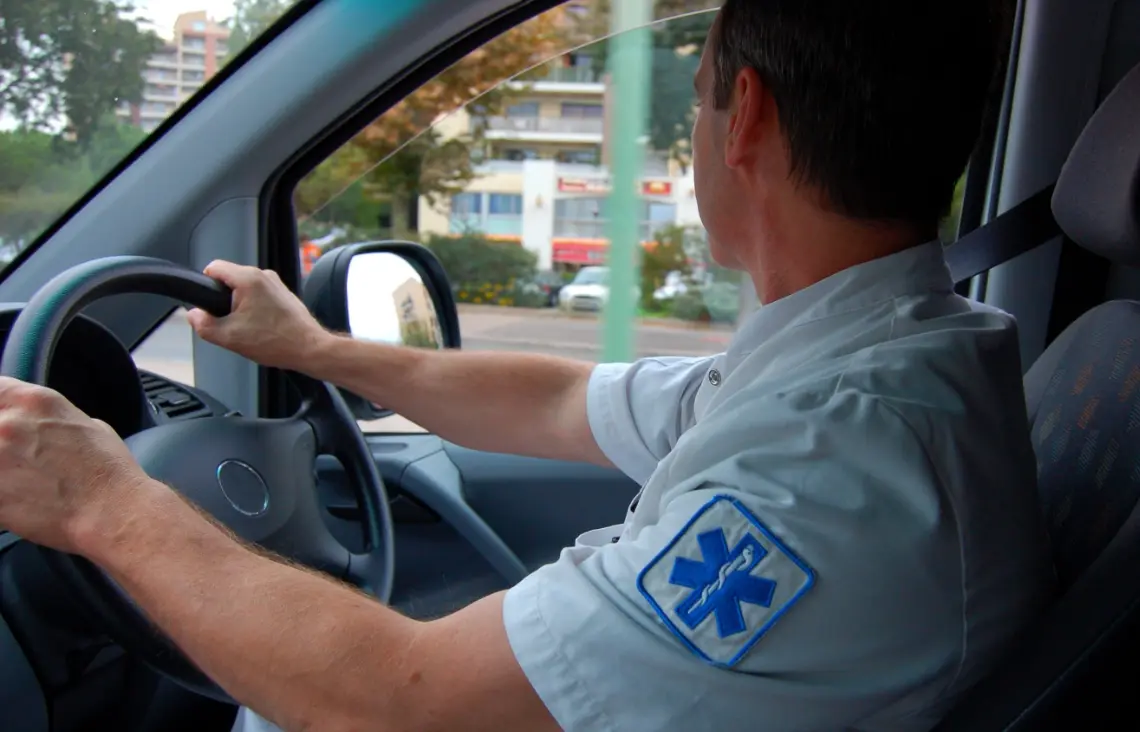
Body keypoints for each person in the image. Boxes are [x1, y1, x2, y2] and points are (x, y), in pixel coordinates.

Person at [0, 2, 1056, 731]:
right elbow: (559, 401)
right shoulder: (868, 361)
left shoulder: (831, 468)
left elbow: (397, 703)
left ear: (745, 116)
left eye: (696, 99)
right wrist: (311, 348)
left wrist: (102, 501)